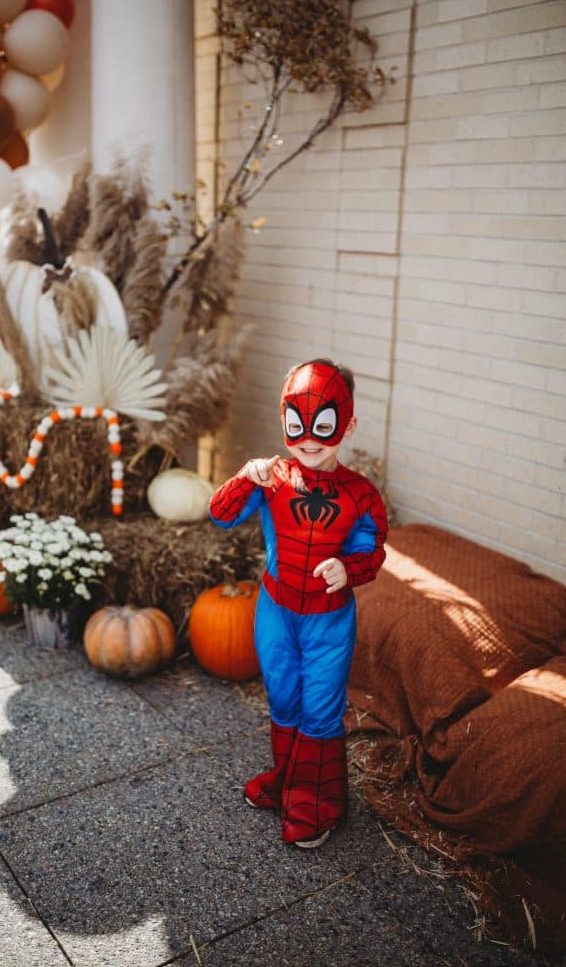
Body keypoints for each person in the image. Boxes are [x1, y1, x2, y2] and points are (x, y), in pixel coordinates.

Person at [209, 358, 388, 848]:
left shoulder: (361, 495)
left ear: (347, 425)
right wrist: (247, 476)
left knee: (320, 709)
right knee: (284, 700)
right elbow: (220, 514)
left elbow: (373, 553)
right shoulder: (272, 477)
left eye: (324, 426)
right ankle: (290, 782)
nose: (309, 438)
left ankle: (320, 804)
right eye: (296, 423)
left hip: (328, 622)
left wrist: (347, 569)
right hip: (276, 610)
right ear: (284, 418)